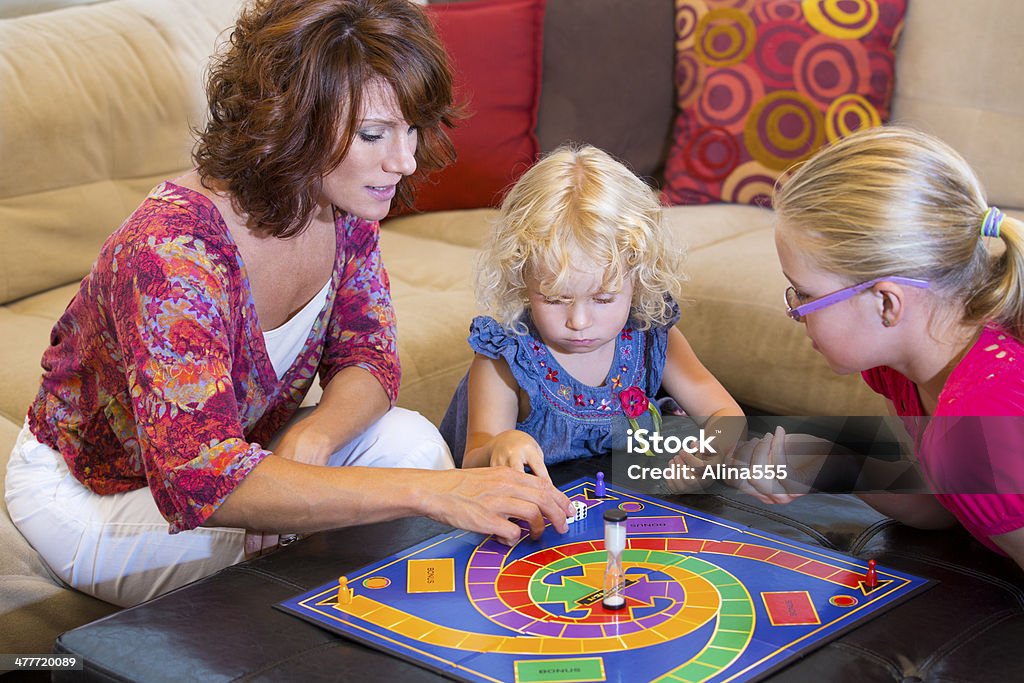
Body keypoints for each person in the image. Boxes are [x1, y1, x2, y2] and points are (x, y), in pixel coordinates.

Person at [4, 0, 572, 608]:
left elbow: (370, 361)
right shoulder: (171, 254)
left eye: (412, 128)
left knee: (413, 444)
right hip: (95, 494)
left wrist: (313, 442)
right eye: (374, 134)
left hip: (238, 450)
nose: (404, 161)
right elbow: (200, 482)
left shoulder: (342, 203)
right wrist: (437, 494)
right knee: (298, 536)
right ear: (293, 120)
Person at [744, 125, 1024, 569]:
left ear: (887, 303)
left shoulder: (980, 422)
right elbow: (953, 506)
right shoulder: (903, 366)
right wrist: (837, 462)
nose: (793, 310)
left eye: (803, 293)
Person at [439, 144, 743, 477]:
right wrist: (499, 446)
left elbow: (725, 415)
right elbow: (474, 460)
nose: (579, 322)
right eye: (555, 299)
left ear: (638, 279)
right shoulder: (506, 356)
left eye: (603, 299)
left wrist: (708, 454)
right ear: (522, 279)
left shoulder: (650, 334)